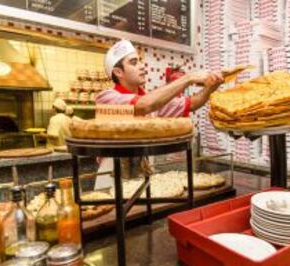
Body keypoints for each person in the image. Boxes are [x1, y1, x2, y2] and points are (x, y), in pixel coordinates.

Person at [94, 39, 224, 189]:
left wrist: (210, 88)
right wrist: (187, 78)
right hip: (112, 183)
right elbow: (143, 106)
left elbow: (192, 103)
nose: (142, 67)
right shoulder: (106, 98)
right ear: (118, 72)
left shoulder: (154, 102)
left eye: (141, 61)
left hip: (143, 180)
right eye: (134, 62)